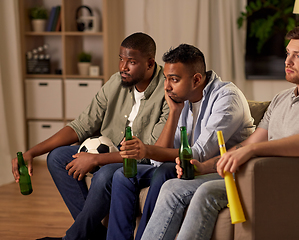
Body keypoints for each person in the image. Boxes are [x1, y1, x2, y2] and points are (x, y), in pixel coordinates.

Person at [141, 23, 299, 240]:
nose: (287, 61)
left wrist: (254, 151)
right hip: (256, 176)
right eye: (288, 53)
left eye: (298, 56)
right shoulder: (282, 99)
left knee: (205, 193)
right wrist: (204, 166)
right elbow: (246, 146)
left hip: (290, 184)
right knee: (173, 187)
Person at [11, 32, 170, 240]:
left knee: (106, 175)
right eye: (121, 59)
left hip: (138, 161)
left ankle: (73, 237)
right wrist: (31, 152)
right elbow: (81, 125)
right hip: (108, 150)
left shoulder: (166, 91)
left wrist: (96, 158)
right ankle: (94, 235)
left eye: (131, 62)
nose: (123, 67)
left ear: (149, 64)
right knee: (58, 157)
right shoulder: (116, 82)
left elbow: (149, 152)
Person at [106, 44, 255, 240]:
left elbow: (198, 153)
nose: (166, 86)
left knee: (166, 172)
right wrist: (174, 114)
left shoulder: (227, 97)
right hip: (188, 167)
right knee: (123, 176)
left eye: (174, 80)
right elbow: (160, 157)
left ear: (196, 79)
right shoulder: (182, 100)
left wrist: (146, 150)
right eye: (166, 78)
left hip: (220, 170)